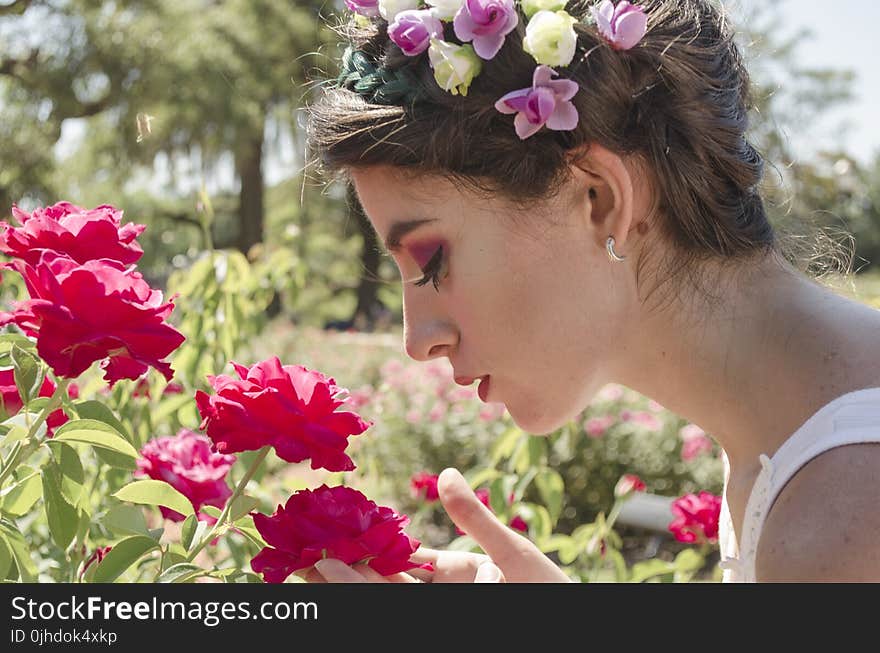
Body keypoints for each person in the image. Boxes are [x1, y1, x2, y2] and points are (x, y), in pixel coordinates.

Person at [300, 0, 880, 582]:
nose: (416, 340)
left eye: (432, 263)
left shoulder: (840, 518)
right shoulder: (797, 455)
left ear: (599, 199)